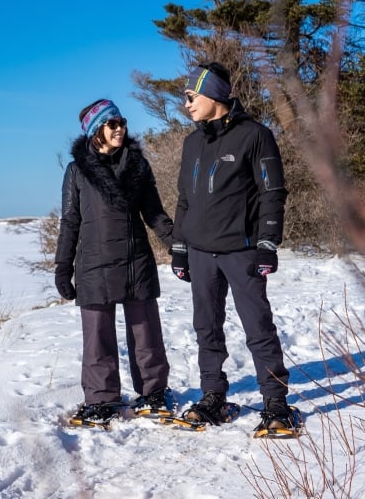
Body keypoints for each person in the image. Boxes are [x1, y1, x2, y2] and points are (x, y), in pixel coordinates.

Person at [171, 61, 293, 432]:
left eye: (192, 96)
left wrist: (267, 242)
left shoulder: (255, 136)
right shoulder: (192, 142)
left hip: (241, 251)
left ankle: (275, 402)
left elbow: (273, 192)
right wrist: (179, 246)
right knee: (206, 327)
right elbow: (183, 199)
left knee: (258, 326)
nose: (187, 103)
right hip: (199, 252)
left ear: (214, 95)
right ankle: (213, 396)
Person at [54, 98, 175, 425]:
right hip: (94, 264)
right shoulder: (77, 171)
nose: (120, 128)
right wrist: (63, 268)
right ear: (97, 131)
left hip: (136, 260)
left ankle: (153, 392)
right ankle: (101, 399)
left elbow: (155, 214)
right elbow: (70, 223)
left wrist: (178, 245)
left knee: (146, 334)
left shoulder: (138, 165)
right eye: (112, 124)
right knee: (97, 338)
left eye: (121, 122)